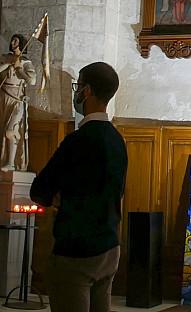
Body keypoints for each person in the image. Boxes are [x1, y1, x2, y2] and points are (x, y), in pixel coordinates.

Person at [30, 62, 127, 312]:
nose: (76, 92)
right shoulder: (118, 141)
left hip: (76, 252)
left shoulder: (77, 141)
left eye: (78, 86)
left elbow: (39, 190)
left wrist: (58, 197)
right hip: (109, 247)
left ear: (87, 92)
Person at [0, 34, 35, 171]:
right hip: (3, 97)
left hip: (17, 99)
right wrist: (9, 64)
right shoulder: (4, 58)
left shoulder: (25, 62)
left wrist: (19, 68)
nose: (13, 42)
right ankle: (5, 160)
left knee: (11, 130)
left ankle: (11, 162)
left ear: (21, 44)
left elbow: (31, 81)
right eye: (12, 39)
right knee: (2, 131)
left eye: (16, 40)